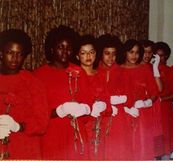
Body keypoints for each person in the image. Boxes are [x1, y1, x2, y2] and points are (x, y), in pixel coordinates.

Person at [33, 25, 90, 160]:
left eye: (69, 48)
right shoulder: (39, 75)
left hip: (76, 133)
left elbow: (89, 101)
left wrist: (86, 108)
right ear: (52, 49)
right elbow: (35, 112)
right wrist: (58, 111)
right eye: (60, 47)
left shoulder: (79, 71)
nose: (65, 51)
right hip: (52, 134)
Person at [0, 29, 48, 159]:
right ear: (1, 53)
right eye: (10, 52)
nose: (14, 58)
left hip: (25, 148)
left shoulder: (33, 83)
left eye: (19, 54)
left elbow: (42, 122)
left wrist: (18, 126)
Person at [117, 39, 161, 159]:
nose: (134, 55)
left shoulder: (144, 70)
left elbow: (155, 92)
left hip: (142, 115)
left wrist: (147, 102)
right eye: (131, 52)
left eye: (137, 52)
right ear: (125, 52)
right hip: (123, 114)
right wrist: (124, 108)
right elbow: (111, 95)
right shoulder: (117, 70)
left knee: (142, 149)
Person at [71, 34, 111, 160]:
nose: (88, 56)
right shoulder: (73, 75)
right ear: (77, 56)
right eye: (84, 53)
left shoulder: (102, 74)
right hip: (80, 125)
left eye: (91, 52)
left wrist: (104, 106)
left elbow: (108, 102)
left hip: (99, 125)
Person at [154, 41, 173, 160]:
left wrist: (161, 99)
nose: (160, 58)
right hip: (152, 108)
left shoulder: (172, 70)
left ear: (167, 55)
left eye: (163, 55)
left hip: (165, 109)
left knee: (165, 140)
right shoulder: (150, 69)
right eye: (157, 56)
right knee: (153, 141)